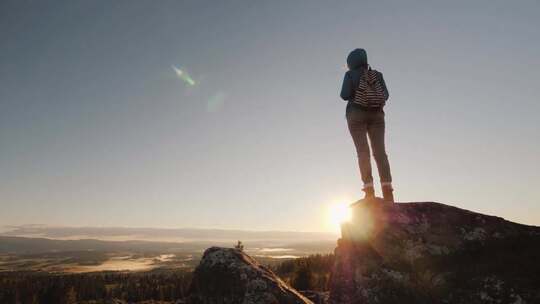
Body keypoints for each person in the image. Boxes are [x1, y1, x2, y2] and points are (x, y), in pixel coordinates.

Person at [339, 48, 394, 202]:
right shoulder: (377, 75)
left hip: (355, 115)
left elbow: (344, 95)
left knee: (363, 152)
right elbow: (386, 95)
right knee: (380, 153)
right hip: (377, 115)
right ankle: (387, 189)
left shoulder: (350, 75)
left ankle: (369, 189)